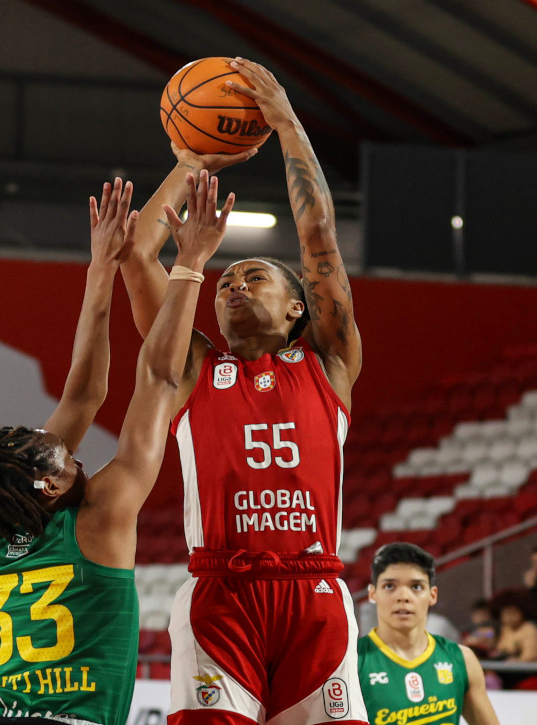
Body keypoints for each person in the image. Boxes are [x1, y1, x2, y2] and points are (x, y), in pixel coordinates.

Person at [120, 57, 363, 725]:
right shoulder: (193, 366)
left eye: (253, 275)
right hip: (221, 592)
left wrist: (286, 123)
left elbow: (318, 238)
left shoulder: (330, 362)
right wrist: (194, 161)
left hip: (315, 590)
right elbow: (139, 256)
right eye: (225, 282)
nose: (232, 285)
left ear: (296, 309)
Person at [0, 174, 235, 725]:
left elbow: (83, 395)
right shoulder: (99, 520)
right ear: (50, 485)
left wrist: (102, 268)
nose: (78, 455)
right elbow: (158, 376)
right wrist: (190, 264)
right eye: (67, 459)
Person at [358, 543, 500, 725]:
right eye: (389, 586)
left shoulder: (462, 659)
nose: (403, 596)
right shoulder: (352, 662)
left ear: (432, 595)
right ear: (372, 594)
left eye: (416, 587)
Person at [488, 588, 537, 690]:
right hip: (511, 668)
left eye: (513, 613)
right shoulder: (506, 629)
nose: (509, 617)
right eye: (505, 614)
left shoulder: (531, 629)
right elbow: (502, 649)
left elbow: (531, 656)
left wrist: (516, 661)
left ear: (523, 611)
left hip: (531, 670)